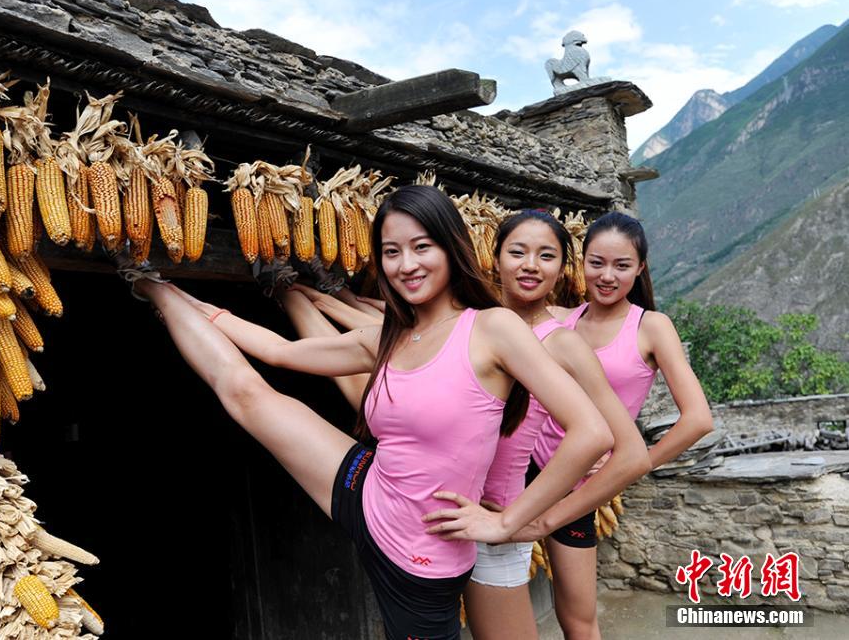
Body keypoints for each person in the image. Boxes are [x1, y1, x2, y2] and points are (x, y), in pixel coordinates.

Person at [123, 185, 613, 639]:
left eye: (421, 247)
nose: (406, 265)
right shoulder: (388, 337)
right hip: (367, 490)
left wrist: (509, 524)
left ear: (451, 247)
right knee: (247, 395)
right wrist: (184, 297)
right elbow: (277, 350)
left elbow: (591, 432)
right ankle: (152, 287)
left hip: (420, 562)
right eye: (391, 252)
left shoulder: (494, 328)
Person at [289, 211, 651, 639]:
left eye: (546, 255)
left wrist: (534, 522)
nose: (530, 265)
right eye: (517, 252)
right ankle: (286, 292)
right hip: (426, 520)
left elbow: (630, 454)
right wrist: (319, 297)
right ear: (493, 258)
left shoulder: (563, 343)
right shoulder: (468, 323)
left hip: (491, 522)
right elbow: (382, 339)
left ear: (561, 268)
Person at [526, 211, 714, 640]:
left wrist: (631, 463)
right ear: (581, 262)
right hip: (526, 470)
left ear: (640, 268)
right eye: (596, 263)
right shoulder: (559, 319)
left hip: (578, 486)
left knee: (576, 618)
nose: (607, 276)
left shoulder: (650, 327)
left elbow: (698, 418)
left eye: (622, 265)